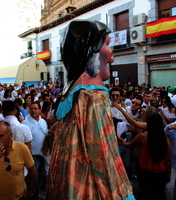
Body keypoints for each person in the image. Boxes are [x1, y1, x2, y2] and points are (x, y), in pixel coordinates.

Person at [46, 20, 134, 200]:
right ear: (90, 50)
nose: (112, 57)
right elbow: (102, 155)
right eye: (108, 45)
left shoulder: (71, 93)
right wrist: (123, 194)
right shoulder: (92, 97)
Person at [0, 121, 37, 200]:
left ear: (10, 135)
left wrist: (29, 192)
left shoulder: (22, 148)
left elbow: (33, 172)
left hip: (19, 197)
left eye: (1, 136)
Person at [118, 113, 171, 200]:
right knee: (159, 194)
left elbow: (129, 145)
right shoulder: (165, 139)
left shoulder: (142, 137)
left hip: (144, 171)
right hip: (160, 172)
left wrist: (122, 141)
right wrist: (168, 173)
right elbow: (168, 159)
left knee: (144, 193)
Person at [22, 102, 48, 200]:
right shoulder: (25, 123)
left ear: (40, 110)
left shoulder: (43, 122)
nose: (33, 111)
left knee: (40, 179)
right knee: (33, 180)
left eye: (35, 108)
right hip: (33, 156)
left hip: (43, 156)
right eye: (31, 109)